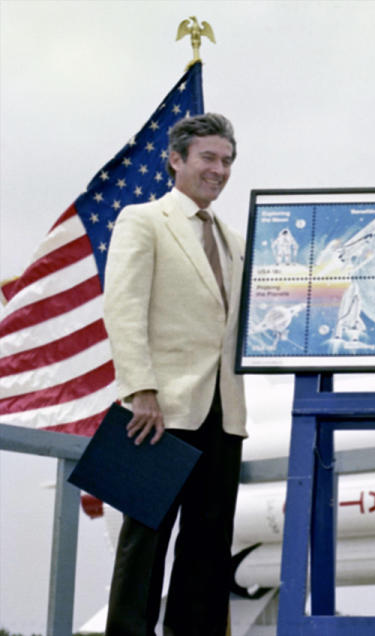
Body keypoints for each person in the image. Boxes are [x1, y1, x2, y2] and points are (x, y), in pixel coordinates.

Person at [102, 112, 247, 636]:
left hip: (224, 413)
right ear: (176, 159)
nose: (219, 170)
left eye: (227, 161)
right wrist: (141, 391)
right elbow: (123, 308)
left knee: (208, 552)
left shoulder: (234, 239)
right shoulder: (142, 220)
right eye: (208, 157)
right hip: (157, 412)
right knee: (145, 546)